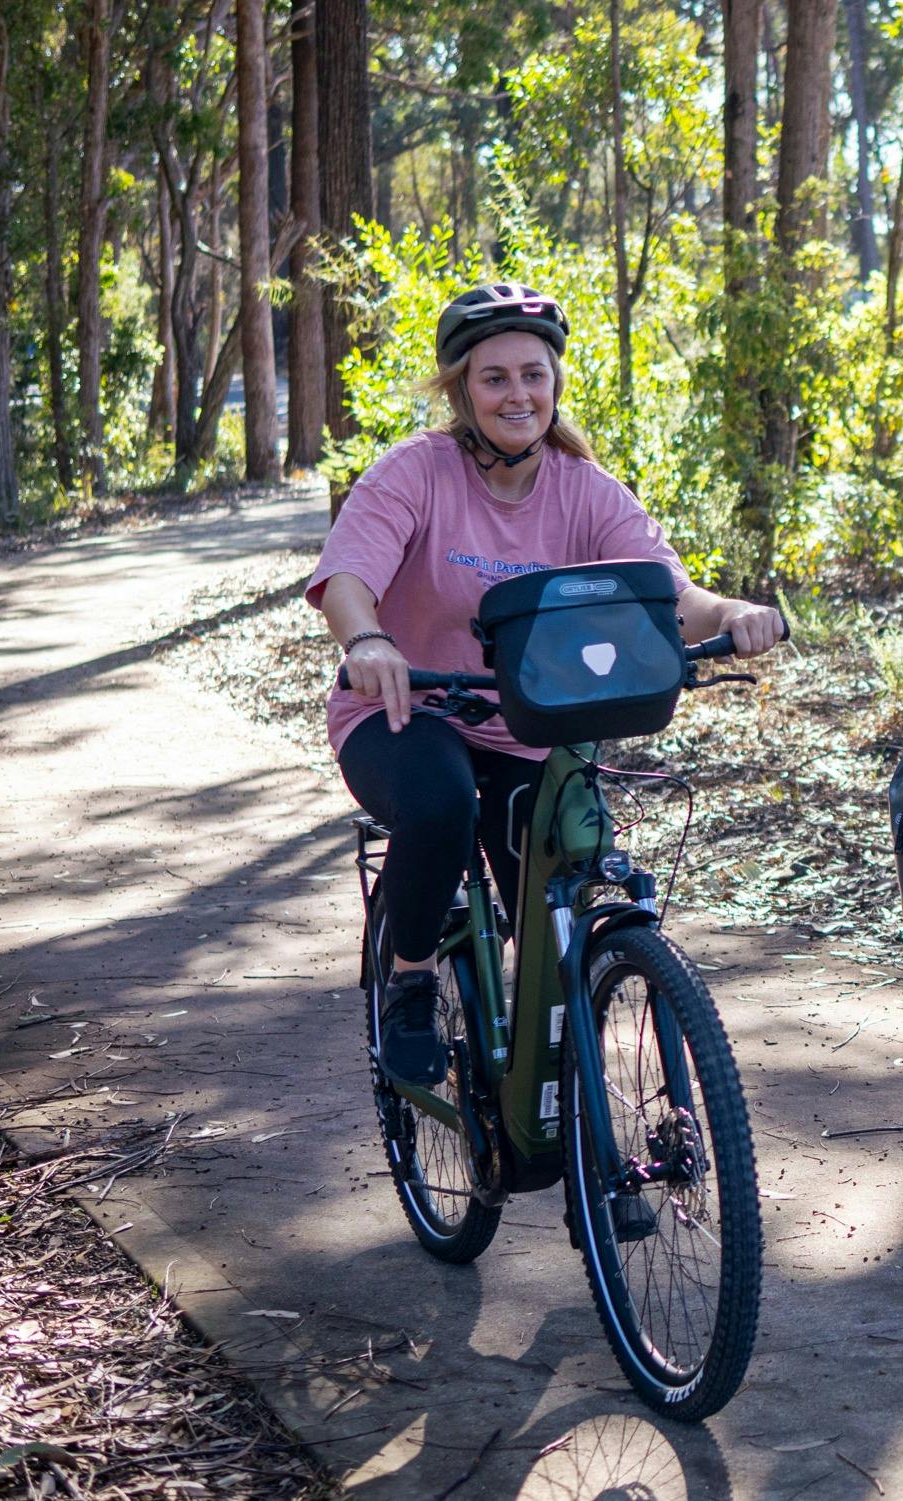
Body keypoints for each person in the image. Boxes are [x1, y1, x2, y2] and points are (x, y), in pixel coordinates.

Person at [306, 282, 784, 1085]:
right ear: (462, 389)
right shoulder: (416, 472)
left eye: (533, 374)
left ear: (555, 383)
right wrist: (369, 638)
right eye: (494, 378)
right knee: (443, 804)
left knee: (564, 881)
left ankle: (554, 1089)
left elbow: (667, 593)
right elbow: (348, 576)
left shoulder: (585, 490)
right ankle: (412, 978)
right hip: (404, 710)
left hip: (528, 725)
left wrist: (732, 612)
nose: (517, 394)